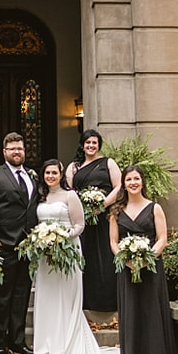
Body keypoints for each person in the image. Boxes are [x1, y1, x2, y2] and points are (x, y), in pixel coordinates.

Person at [32, 159, 135, 354]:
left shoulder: (71, 197)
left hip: (67, 251)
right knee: (47, 296)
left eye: (54, 173)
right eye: (47, 173)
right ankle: (47, 341)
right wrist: (43, 239)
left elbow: (79, 225)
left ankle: (65, 342)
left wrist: (61, 237)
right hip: (45, 256)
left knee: (66, 298)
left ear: (61, 175)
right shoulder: (41, 198)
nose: (50, 176)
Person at [109, 165, 178, 354]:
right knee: (131, 314)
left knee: (152, 313)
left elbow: (162, 238)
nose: (133, 182)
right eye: (129, 179)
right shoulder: (116, 212)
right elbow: (113, 242)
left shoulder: (154, 208)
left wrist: (146, 258)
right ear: (124, 183)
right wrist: (127, 260)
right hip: (126, 269)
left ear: (142, 182)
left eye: (136, 178)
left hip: (150, 269)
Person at [0, 132, 38, 354]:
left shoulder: (32, 176)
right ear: (4, 152)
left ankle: (18, 340)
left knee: (22, 295)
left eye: (20, 149)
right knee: (1, 297)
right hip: (4, 245)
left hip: (27, 246)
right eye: (12, 149)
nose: (17, 152)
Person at [65, 129, 122, 313]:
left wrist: (103, 204)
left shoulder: (108, 163)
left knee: (105, 256)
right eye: (88, 143)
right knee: (85, 256)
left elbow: (119, 186)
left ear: (99, 145)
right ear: (82, 145)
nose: (91, 146)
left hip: (104, 218)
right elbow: (69, 192)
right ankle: (86, 300)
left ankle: (108, 300)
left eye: (94, 143)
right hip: (83, 220)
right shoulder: (73, 167)